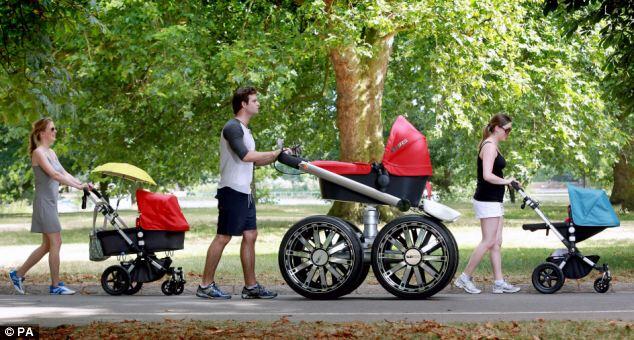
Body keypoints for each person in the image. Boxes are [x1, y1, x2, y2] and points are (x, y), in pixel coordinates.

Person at [197, 87, 283, 299]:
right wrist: (273, 152)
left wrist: (280, 155)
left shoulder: (245, 130)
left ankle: (251, 287)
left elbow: (256, 160)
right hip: (231, 190)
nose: (258, 103)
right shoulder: (232, 127)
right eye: (254, 100)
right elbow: (245, 155)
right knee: (223, 236)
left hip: (244, 192)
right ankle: (205, 285)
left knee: (250, 235)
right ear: (243, 104)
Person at [9, 118, 92, 295]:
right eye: (52, 129)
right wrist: (78, 187)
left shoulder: (51, 152)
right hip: (44, 203)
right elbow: (54, 174)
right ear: (42, 133)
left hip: (50, 203)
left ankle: (18, 274)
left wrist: (82, 183)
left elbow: (63, 173)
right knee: (56, 241)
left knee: (47, 245)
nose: (55, 132)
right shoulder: (39, 153)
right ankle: (55, 286)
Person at [454, 114, 521, 294]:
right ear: (497, 128)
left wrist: (509, 181)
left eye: (510, 130)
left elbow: (495, 174)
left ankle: (499, 282)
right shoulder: (490, 146)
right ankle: (464, 278)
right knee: (488, 240)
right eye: (507, 129)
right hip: (487, 199)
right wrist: (507, 181)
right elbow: (487, 176)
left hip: (494, 199)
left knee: (496, 242)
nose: (509, 133)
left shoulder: (493, 145)